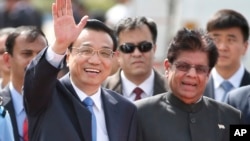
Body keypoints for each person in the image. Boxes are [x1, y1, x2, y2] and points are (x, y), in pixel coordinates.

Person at [23, 0, 137, 141]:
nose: (95, 60)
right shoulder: (46, 96)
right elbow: (35, 80)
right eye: (86, 50)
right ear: (68, 56)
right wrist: (60, 44)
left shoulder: (125, 109)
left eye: (105, 53)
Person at [135, 28, 243, 141]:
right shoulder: (138, 113)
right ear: (167, 67)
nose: (192, 74)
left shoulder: (233, 118)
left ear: (208, 74)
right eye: (183, 66)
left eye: (200, 69)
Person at [0, 26, 48, 141]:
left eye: (41, 54)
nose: (35, 60)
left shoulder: (61, 105)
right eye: (27, 54)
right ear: (7, 59)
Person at [103, 16, 167, 102]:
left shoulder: (174, 90)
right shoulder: (100, 90)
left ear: (154, 49)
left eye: (144, 46)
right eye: (128, 48)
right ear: (118, 54)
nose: (137, 54)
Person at [203, 9, 250, 103]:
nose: (222, 47)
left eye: (231, 40)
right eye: (216, 39)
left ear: (245, 47)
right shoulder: (193, 87)